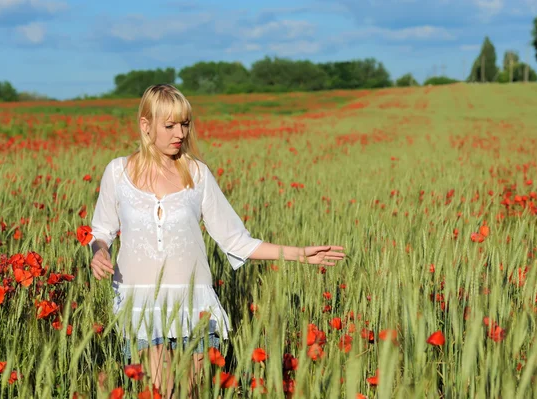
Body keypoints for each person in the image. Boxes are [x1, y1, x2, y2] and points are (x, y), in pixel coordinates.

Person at [88, 84, 345, 398]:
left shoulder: (198, 174)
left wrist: (300, 254)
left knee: (191, 393)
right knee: (160, 392)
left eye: (184, 124)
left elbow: (236, 240)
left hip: (193, 304)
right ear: (146, 126)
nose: (179, 133)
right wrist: (99, 252)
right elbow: (100, 231)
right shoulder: (117, 173)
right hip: (140, 304)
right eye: (169, 126)